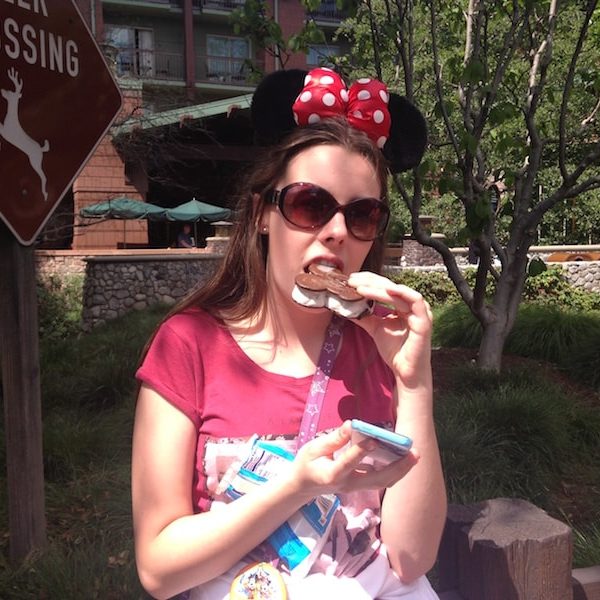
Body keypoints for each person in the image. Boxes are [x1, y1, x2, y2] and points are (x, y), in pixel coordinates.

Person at [132, 68, 446, 600]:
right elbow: (159, 570)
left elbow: (410, 558)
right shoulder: (188, 346)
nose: (337, 231)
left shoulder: (379, 352)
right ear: (262, 215)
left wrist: (415, 384)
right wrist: (298, 486)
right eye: (310, 204)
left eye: (362, 215)